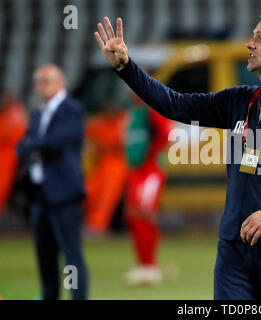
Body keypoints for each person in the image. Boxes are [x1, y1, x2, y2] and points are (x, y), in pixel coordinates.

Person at [94, 13, 261, 300]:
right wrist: (126, 68)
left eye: (260, 38)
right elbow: (176, 104)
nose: (250, 44)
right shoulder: (238, 101)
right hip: (233, 249)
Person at [16, 64, 88, 300]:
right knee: (44, 254)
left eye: (46, 81)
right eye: (38, 82)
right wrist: (34, 145)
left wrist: (34, 145)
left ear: (60, 82)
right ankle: (49, 295)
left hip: (64, 192)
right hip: (40, 194)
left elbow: (55, 142)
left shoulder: (71, 109)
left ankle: (78, 297)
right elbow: (23, 147)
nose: (41, 87)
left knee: (71, 253)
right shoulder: (39, 112)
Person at [123, 91, 173, 286]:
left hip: (150, 169)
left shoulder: (151, 108)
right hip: (137, 170)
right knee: (134, 215)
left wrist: (151, 154)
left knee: (145, 213)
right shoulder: (134, 111)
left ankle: (150, 267)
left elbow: (166, 134)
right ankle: (143, 264)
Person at [84, 101, 128, 234]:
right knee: (90, 192)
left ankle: (98, 225)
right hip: (102, 164)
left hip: (117, 164)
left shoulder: (123, 122)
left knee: (106, 196)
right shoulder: (102, 123)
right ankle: (91, 223)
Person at [0, 89, 27, 218]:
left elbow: (15, 133)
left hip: (8, 156)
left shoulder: (15, 112)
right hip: (5, 155)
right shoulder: (7, 113)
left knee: (2, 187)